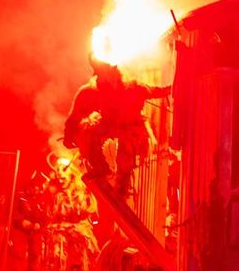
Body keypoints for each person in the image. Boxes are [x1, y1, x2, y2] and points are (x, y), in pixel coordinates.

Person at [64, 55, 170, 196]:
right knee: (87, 133)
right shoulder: (94, 91)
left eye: (102, 75)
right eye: (98, 76)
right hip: (109, 124)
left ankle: (122, 185)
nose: (99, 79)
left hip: (132, 128)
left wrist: (177, 86)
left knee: (127, 147)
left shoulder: (134, 89)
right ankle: (100, 167)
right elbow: (76, 114)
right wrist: (69, 132)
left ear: (113, 74)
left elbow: (159, 91)